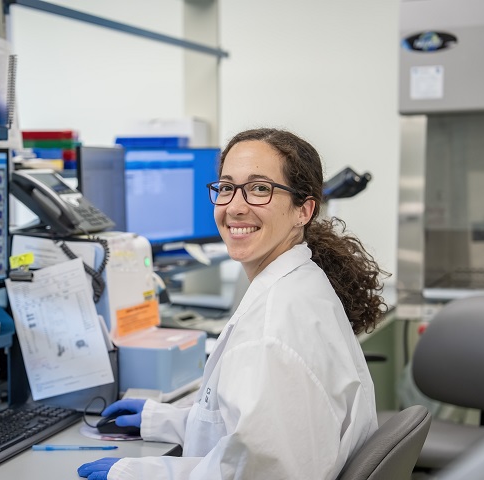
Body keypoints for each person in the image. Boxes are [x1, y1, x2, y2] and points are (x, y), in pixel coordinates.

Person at [77, 128, 389, 480]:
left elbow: (257, 471)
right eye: (226, 188)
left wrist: (134, 473)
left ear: (304, 210)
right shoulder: (300, 283)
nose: (235, 207)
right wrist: (161, 420)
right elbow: (253, 426)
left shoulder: (272, 330)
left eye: (260, 189)